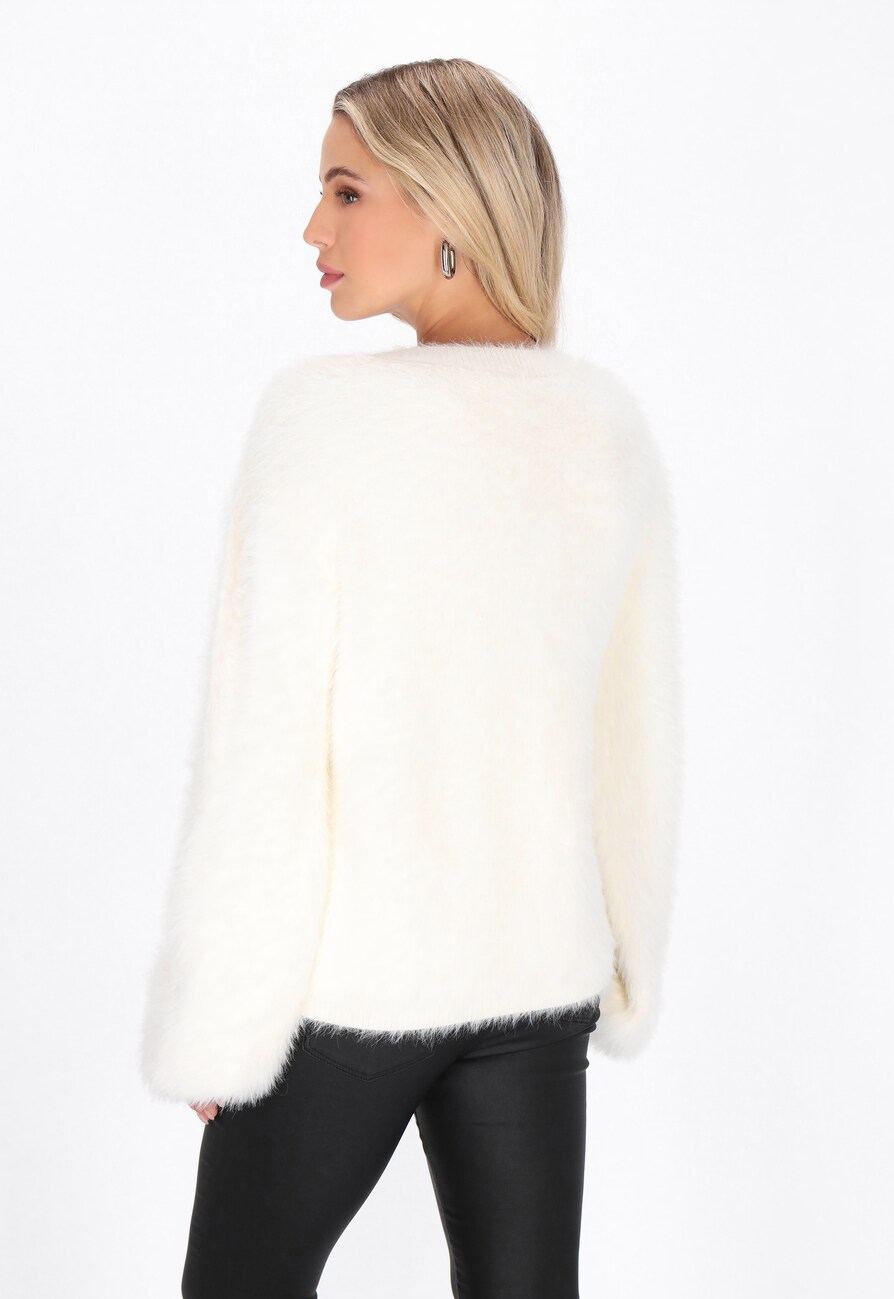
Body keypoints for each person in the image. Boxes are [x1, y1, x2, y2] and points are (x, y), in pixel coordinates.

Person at [139, 58, 684, 1299]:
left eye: (346, 191)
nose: (313, 230)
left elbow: (265, 749)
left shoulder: (322, 425)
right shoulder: (606, 435)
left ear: (449, 206)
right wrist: (624, 969)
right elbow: (635, 748)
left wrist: (221, 1014)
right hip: (538, 978)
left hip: (350, 991)